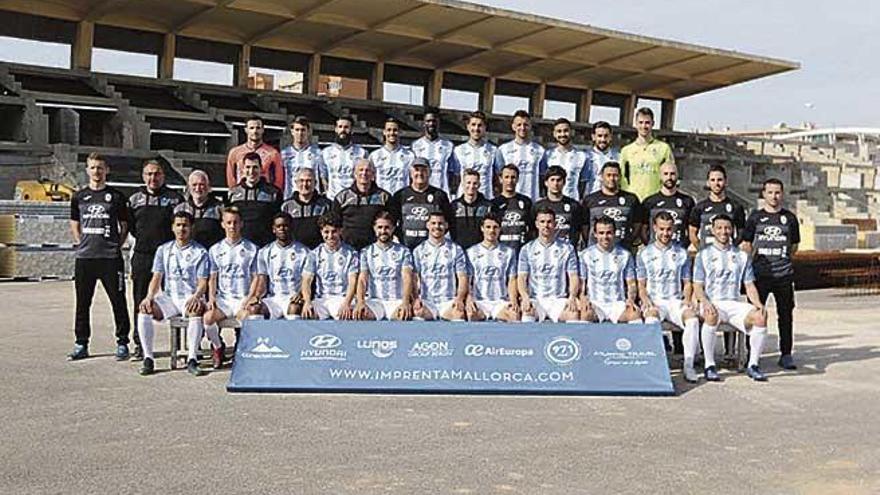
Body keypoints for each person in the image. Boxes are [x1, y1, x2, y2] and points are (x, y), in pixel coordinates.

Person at [68, 153, 131, 361]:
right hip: (85, 258)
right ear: (87, 170)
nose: (97, 171)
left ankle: (122, 342)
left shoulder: (116, 197)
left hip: (110, 258)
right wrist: (80, 242)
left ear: (107, 170)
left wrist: (117, 245)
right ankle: (81, 343)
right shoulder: (79, 196)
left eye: (100, 168)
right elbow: (75, 222)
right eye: (93, 168)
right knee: (83, 303)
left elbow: (124, 225)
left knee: (118, 301)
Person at [693, 214, 769, 382]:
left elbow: (749, 285)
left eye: (727, 228)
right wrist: (705, 302)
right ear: (712, 230)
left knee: (760, 316)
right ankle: (709, 365)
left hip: (733, 304)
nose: (723, 231)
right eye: (719, 228)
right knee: (711, 315)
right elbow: (697, 287)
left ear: (733, 230)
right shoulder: (703, 255)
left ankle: (753, 365)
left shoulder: (742, 256)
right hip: (713, 302)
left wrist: (758, 304)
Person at [135, 212, 209, 376]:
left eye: (185, 225)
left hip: (190, 296)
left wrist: (196, 296)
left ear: (191, 228)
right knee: (144, 309)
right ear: (172, 228)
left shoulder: (200, 252)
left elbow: (203, 281)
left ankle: (192, 358)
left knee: (195, 310)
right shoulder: (163, 250)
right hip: (170, 297)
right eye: (178, 225)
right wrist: (149, 297)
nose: (182, 228)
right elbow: (157, 277)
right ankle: (148, 358)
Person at [741, 178, 800, 370]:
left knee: (785, 315)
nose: (774, 196)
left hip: (783, 275)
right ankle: (752, 354)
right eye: (770, 192)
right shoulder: (755, 217)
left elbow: (794, 246)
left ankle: (786, 354)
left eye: (777, 192)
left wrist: (781, 260)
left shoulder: (790, 218)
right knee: (755, 313)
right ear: (763, 194)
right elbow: (746, 244)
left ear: (782, 194)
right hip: (760, 275)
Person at [128, 160, 184, 359]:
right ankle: (140, 344)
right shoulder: (135, 199)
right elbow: (132, 228)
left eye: (157, 174)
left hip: (169, 257)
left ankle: (177, 344)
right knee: (140, 300)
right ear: (143, 176)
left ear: (163, 176)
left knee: (175, 297)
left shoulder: (175, 199)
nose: (153, 178)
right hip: (143, 255)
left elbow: (180, 225)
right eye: (149, 174)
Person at [637, 212, 701, 382]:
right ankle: (653, 365)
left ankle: (689, 365)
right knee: (651, 319)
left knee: (692, 319)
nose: (665, 233)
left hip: (674, 301)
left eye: (669, 229)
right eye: (662, 229)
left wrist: (687, 299)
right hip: (655, 300)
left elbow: (687, 282)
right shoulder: (644, 253)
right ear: (654, 228)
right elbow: (641, 285)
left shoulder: (682, 253)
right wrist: (646, 301)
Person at [203, 207, 260, 369]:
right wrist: (212, 297)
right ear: (222, 224)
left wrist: (250, 297)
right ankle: (218, 347)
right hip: (224, 300)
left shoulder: (252, 249)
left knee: (249, 319)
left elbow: (256, 276)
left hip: (243, 298)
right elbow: (213, 277)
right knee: (207, 319)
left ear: (241, 224)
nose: (232, 226)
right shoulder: (215, 250)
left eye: (235, 222)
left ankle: (240, 349)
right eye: (228, 222)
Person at [517, 208, 580, 323]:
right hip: (536, 299)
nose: (546, 225)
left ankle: (569, 341)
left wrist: (572, 297)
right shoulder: (527, 249)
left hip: (558, 299)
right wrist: (525, 297)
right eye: (542, 222)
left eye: (549, 222)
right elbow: (522, 278)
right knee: (527, 311)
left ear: (555, 224)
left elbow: (573, 276)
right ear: (536, 224)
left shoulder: (567, 248)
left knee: (573, 313)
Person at [578, 216, 641, 324]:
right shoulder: (585, 255)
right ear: (595, 234)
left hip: (617, 303)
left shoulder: (625, 255)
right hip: (595, 303)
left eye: (609, 233)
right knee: (585, 314)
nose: (605, 236)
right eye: (601, 233)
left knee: (634, 314)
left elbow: (631, 284)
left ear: (615, 233)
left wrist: (631, 299)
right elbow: (582, 284)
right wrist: (583, 299)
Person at [355, 211, 415, 321]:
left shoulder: (403, 251)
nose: (383, 231)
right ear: (374, 228)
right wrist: (360, 302)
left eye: (387, 227)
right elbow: (362, 280)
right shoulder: (366, 251)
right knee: (360, 315)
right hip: (375, 301)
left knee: (403, 316)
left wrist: (405, 302)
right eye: (380, 227)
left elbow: (407, 277)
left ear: (393, 229)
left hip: (396, 300)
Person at [252, 213, 311, 320]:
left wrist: (300, 294)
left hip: (293, 298)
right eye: (278, 226)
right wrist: (257, 297)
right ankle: (260, 337)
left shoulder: (304, 252)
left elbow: (306, 281)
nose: (282, 229)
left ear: (292, 228)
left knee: (294, 308)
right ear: (273, 229)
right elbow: (262, 280)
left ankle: (294, 337)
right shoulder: (264, 251)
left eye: (285, 226)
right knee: (255, 309)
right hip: (274, 299)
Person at [301, 213, 359, 320]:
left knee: (348, 316)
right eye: (326, 232)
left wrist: (347, 303)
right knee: (308, 314)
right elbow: (306, 281)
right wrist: (307, 302)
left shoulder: (351, 253)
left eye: (334, 231)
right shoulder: (314, 254)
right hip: (322, 300)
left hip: (342, 298)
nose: (330, 236)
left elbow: (353, 281)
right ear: (321, 232)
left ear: (340, 231)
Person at [412, 212, 469, 321]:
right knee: (417, 313)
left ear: (446, 225)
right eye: (433, 223)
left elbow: (462, 277)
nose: (437, 226)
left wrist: (460, 298)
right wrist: (415, 298)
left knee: (459, 315)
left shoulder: (455, 249)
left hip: (448, 301)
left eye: (440, 223)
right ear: (427, 225)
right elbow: (414, 278)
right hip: (427, 300)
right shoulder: (419, 250)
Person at [388, 157, 453, 250]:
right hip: (406, 247)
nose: (420, 173)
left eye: (424, 170)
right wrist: (401, 237)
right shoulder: (400, 195)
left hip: (431, 249)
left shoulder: (439, 195)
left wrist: (436, 237)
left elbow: (448, 221)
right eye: (416, 170)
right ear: (411, 173)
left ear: (429, 173)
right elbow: (392, 221)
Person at [465, 213, 520, 322]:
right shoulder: (471, 252)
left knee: (514, 316)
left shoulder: (508, 252)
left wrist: (513, 300)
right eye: (488, 227)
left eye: (495, 227)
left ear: (500, 229)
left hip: (500, 302)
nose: (491, 231)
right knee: (470, 315)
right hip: (479, 301)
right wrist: (469, 298)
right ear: (482, 229)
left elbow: (512, 280)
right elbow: (467, 280)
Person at [581, 161, 644, 250]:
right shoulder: (590, 200)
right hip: (596, 252)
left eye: (615, 175)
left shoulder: (631, 199)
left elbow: (637, 223)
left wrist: (630, 240)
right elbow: (585, 226)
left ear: (620, 177)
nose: (612, 179)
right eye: (608, 175)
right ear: (601, 177)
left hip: (623, 251)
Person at [332, 158, 392, 250]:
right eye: (361, 170)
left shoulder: (384, 197)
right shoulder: (342, 197)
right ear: (354, 174)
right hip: (348, 248)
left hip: (375, 249)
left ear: (373, 174)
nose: (364, 173)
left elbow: (391, 221)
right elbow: (335, 223)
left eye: (368, 170)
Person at [227, 152, 282, 247]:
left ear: (261, 169)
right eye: (248, 167)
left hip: (265, 245)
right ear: (242, 170)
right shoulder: (233, 193)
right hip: (241, 246)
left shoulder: (273, 193)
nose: (251, 171)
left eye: (255, 167)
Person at [619, 107, 674, 200]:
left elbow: (670, 175)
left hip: (656, 199)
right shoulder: (626, 150)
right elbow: (622, 176)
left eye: (647, 123)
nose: (644, 126)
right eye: (640, 122)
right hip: (633, 200)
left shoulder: (664, 148)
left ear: (653, 124)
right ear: (635, 124)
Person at [688, 164, 746, 249]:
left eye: (719, 180)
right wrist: (702, 250)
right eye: (713, 180)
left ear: (726, 182)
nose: (716, 183)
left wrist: (732, 248)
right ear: (708, 183)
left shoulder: (736, 207)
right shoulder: (699, 207)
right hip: (707, 257)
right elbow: (692, 234)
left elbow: (741, 233)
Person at [641, 162, 695, 249]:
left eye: (672, 174)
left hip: (678, 251)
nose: (669, 177)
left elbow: (691, 230)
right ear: (660, 176)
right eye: (665, 174)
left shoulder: (687, 201)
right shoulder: (649, 202)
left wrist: (683, 246)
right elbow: (643, 231)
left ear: (677, 175)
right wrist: (651, 246)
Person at [496, 110, 545, 199]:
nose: (522, 128)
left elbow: (542, 177)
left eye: (526, 125)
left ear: (530, 126)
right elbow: (499, 177)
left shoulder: (540, 150)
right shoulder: (503, 149)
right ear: (513, 127)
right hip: (510, 200)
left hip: (532, 198)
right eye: (519, 125)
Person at [226, 115, 283, 190]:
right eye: (251, 128)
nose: (255, 131)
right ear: (246, 130)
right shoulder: (235, 152)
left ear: (263, 130)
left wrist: (274, 194)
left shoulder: (273, 153)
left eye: (258, 128)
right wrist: (234, 192)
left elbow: (279, 178)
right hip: (242, 194)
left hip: (264, 194)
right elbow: (231, 177)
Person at [280, 168, 333, 249]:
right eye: (301, 181)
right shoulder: (287, 206)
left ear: (315, 183)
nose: (305, 184)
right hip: (295, 252)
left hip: (319, 252)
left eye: (309, 181)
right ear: (296, 183)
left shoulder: (326, 205)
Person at [532, 166, 585, 246]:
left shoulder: (574, 205)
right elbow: (533, 231)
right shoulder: (538, 206)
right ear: (546, 183)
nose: (555, 184)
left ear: (564, 183)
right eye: (552, 180)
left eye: (559, 180)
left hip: (567, 251)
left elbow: (578, 229)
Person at [541, 118, 590, 201]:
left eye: (566, 131)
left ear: (571, 132)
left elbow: (583, 183)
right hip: (551, 202)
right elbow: (543, 180)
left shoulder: (582, 156)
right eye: (559, 131)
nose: (562, 134)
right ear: (554, 134)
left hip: (572, 201)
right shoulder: (547, 155)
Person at [452, 110, 497, 199]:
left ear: (485, 128)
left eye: (480, 125)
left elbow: (497, 179)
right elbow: (455, 178)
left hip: (486, 199)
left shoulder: (493, 150)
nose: (476, 129)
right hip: (464, 200)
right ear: (468, 126)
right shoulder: (458, 150)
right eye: (473, 125)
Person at [411, 107, 456, 195]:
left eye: (434, 121)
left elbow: (452, 173)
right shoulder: (415, 146)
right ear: (424, 123)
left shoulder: (448, 146)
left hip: (442, 192)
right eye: (428, 121)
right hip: (421, 192)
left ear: (438, 122)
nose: (431, 124)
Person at [175, 170, 224, 248]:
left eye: (202, 185)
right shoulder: (180, 209)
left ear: (208, 187)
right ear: (188, 187)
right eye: (194, 185)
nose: (198, 188)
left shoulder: (219, 208)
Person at [280, 116, 326, 198]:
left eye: (303, 130)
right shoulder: (284, 154)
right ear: (292, 131)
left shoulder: (317, 153)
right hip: (290, 197)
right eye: (297, 130)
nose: (300, 133)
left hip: (312, 198)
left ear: (308, 132)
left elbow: (323, 177)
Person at [322, 115, 367, 199]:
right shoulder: (326, 152)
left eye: (346, 127)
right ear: (336, 129)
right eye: (340, 127)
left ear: (352, 130)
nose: (343, 130)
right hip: (332, 199)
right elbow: (324, 177)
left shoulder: (361, 153)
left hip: (354, 199)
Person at [491, 164, 532, 252]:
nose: (510, 181)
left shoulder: (526, 201)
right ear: (500, 179)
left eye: (513, 177)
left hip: (522, 250)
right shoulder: (493, 204)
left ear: (517, 179)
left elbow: (532, 228)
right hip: (501, 251)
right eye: (506, 177)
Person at [450, 169, 493, 249]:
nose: (471, 186)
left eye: (475, 183)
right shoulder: (454, 206)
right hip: (459, 251)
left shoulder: (488, 206)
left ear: (479, 185)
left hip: (480, 252)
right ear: (462, 184)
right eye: (468, 183)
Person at [369, 117, 414, 194]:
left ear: (400, 132)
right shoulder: (374, 155)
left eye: (395, 130)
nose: (392, 133)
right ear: (384, 132)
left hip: (401, 198)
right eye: (389, 130)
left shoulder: (409, 155)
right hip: (381, 198)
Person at [585, 121, 619, 195]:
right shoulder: (585, 157)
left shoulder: (618, 158)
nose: (603, 139)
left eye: (606, 136)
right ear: (593, 137)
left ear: (610, 137)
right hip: (591, 200)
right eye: (599, 136)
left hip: (612, 199)